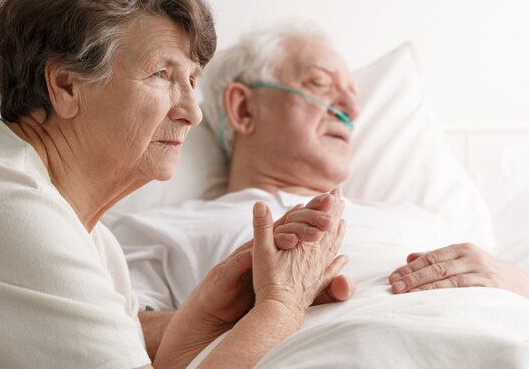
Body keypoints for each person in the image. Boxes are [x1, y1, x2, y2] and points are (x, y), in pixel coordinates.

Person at [0, 0, 347, 369]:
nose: (191, 112)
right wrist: (282, 303)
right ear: (65, 86)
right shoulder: (11, 213)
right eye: (162, 74)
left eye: (192, 81)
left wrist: (203, 318)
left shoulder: (91, 239)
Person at [109, 22, 529, 365]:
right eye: (321, 83)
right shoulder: (158, 228)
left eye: (354, 96)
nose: (350, 108)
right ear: (243, 109)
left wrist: (514, 281)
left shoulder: (421, 218)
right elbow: (116, 333)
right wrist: (268, 304)